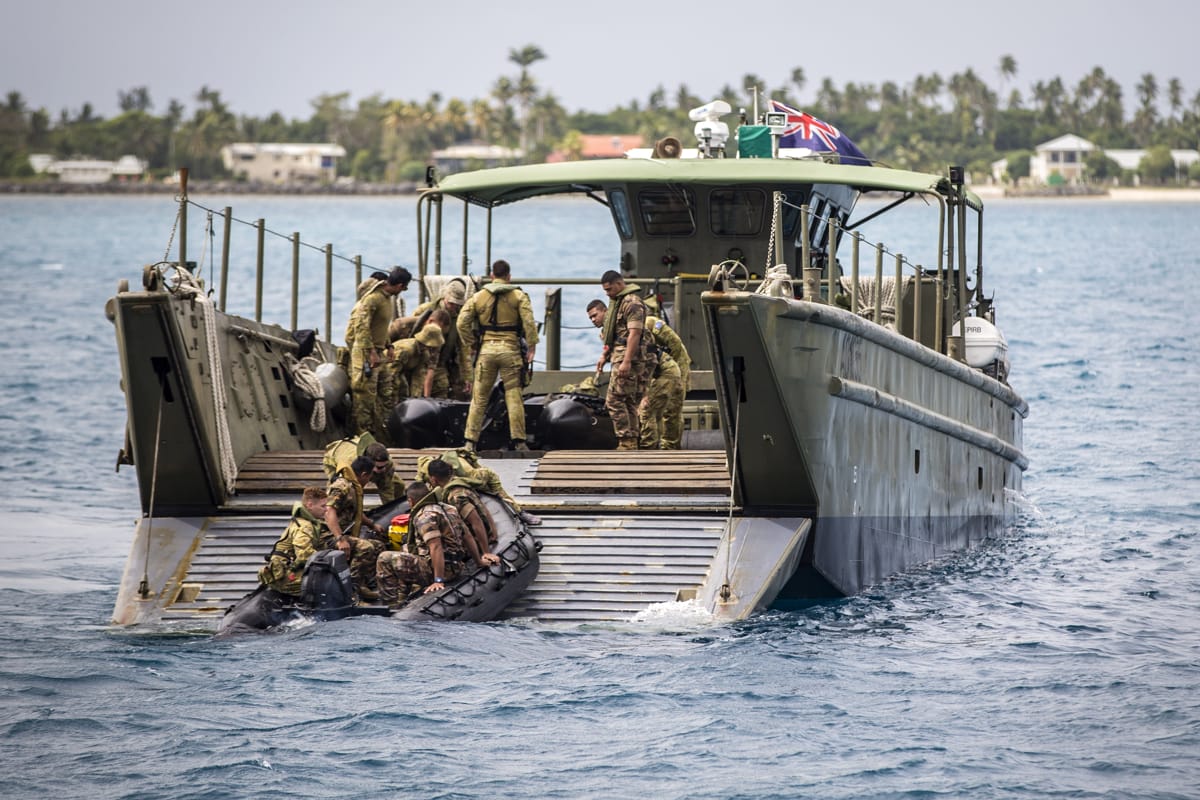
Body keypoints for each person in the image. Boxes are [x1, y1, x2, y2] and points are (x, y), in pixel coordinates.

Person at [457, 259, 539, 451]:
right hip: (510, 351)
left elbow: (461, 323)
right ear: (509, 277)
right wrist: (532, 346)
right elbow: (529, 323)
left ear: (492, 276)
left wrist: (472, 343)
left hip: (486, 351)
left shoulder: (478, 297)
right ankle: (519, 442)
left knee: (479, 397)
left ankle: (470, 442)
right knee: (513, 396)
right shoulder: (519, 296)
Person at [375, 482, 471, 606]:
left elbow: (436, 546)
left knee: (384, 558)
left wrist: (438, 580)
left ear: (410, 501)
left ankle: (389, 605)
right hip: (457, 565)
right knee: (406, 550)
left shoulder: (424, 516)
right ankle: (404, 595)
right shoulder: (448, 509)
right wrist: (479, 561)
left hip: (442, 571)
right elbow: (467, 535)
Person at [346, 266, 410, 441]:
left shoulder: (386, 299)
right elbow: (361, 327)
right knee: (364, 398)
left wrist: (388, 346)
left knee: (385, 393)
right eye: (404, 288)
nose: (403, 291)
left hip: (379, 352)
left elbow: (379, 327)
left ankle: (381, 434)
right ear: (399, 285)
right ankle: (361, 437)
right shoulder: (372, 299)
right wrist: (371, 352)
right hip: (366, 354)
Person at [415, 447, 542, 526]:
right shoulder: (427, 471)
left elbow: (486, 476)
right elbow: (419, 483)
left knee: (497, 495)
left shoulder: (471, 474)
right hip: (446, 476)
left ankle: (520, 512)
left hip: (483, 478)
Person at [598, 270, 651, 450]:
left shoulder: (632, 303)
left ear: (620, 284)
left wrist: (627, 361)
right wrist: (605, 356)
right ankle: (631, 441)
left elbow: (634, 333)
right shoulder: (618, 302)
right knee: (627, 400)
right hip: (618, 355)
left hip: (628, 358)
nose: (607, 293)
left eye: (610, 289)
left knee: (613, 400)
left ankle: (626, 440)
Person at [326, 454, 388, 600]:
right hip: (330, 535)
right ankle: (353, 591)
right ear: (364, 474)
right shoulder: (342, 486)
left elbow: (356, 512)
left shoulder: (353, 486)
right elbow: (329, 511)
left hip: (345, 534)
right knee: (365, 548)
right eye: (369, 477)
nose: (369, 481)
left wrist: (373, 525)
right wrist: (340, 539)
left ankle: (367, 584)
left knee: (378, 546)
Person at [425, 457, 501, 567]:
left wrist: (486, 552)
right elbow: (484, 510)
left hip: (476, 540)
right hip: (482, 535)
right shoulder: (458, 483)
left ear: (433, 479)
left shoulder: (456, 496)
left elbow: (476, 521)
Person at [257, 486, 332, 596]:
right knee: (327, 583)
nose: (326, 509)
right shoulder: (304, 526)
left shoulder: (308, 522)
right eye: (323, 506)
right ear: (310, 505)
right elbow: (304, 555)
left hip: (287, 571)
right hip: (284, 577)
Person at [412, 280, 471, 399]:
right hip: (420, 362)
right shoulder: (426, 310)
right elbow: (411, 331)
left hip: (441, 363)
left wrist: (468, 377)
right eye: (451, 303)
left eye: (457, 304)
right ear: (445, 298)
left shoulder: (460, 318)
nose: (454, 307)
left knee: (443, 391)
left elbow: (464, 350)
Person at [639, 314, 689, 450]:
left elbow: (675, 344)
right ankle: (664, 442)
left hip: (676, 363)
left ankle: (670, 445)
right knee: (659, 405)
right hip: (658, 366)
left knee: (673, 407)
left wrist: (670, 366)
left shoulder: (652, 324)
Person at [321, 434, 404, 504]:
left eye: (385, 466)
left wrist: (390, 509)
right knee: (343, 490)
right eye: (380, 467)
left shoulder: (387, 463)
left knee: (398, 485)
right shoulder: (350, 464)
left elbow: (387, 488)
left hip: (363, 463)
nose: (384, 470)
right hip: (334, 459)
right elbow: (356, 488)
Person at [389, 322, 443, 401]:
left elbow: (419, 376)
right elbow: (391, 373)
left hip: (399, 373)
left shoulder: (424, 354)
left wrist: (415, 398)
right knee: (393, 392)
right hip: (385, 372)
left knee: (404, 392)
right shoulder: (407, 350)